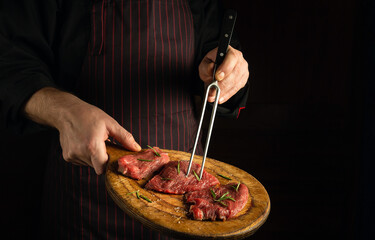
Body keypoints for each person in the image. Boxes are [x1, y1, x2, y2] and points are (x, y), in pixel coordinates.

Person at [0, 0, 249, 239]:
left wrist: (230, 71)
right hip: (84, 197)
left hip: (182, 197)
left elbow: (215, 51)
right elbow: (10, 62)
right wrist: (64, 111)